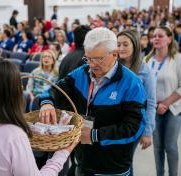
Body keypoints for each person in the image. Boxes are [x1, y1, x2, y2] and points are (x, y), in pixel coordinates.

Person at [39, 27, 147, 175]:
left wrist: (94, 135)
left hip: (112, 168)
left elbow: (134, 127)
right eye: (88, 58)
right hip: (82, 161)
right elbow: (54, 90)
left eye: (99, 59)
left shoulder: (131, 84)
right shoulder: (81, 73)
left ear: (114, 54)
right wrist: (46, 103)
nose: (92, 64)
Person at [0, 57, 77, 176]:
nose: (22, 88)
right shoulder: (12, 135)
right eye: (19, 86)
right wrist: (62, 154)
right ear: (11, 93)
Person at [117, 29, 156, 176]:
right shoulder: (113, 67)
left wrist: (148, 132)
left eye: (125, 44)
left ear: (135, 45)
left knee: (125, 161)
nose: (121, 48)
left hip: (134, 124)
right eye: (118, 44)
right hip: (113, 123)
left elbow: (151, 102)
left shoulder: (145, 70)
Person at [144, 26, 181, 176]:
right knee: (158, 147)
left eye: (160, 36)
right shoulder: (147, 60)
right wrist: (153, 105)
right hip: (153, 109)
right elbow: (143, 86)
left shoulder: (177, 59)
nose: (156, 39)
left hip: (173, 108)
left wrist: (165, 103)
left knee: (170, 146)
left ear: (170, 39)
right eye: (154, 36)